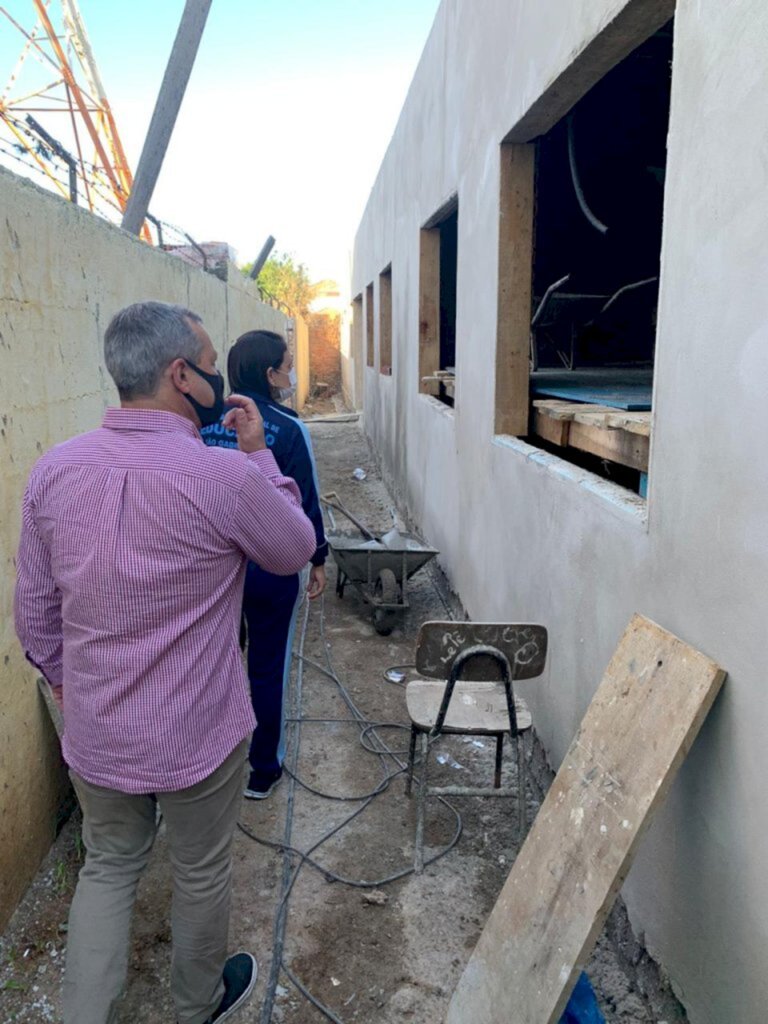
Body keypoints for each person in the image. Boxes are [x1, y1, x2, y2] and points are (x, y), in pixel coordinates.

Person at [14, 302, 317, 1024]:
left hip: (96, 733)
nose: (218, 376)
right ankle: (196, 1006)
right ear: (181, 375)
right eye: (208, 363)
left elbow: (34, 616)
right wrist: (259, 456)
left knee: (110, 866)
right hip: (199, 733)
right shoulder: (226, 478)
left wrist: (70, 688)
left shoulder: (53, 472)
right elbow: (293, 547)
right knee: (201, 869)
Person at [202, 330, 328, 799]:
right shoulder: (288, 428)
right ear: (270, 373)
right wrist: (317, 556)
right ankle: (263, 769)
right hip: (272, 567)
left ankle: (209, 766)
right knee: (268, 665)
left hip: (213, 568)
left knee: (212, 664)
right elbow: (305, 498)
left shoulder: (202, 425)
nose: (290, 373)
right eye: (287, 365)